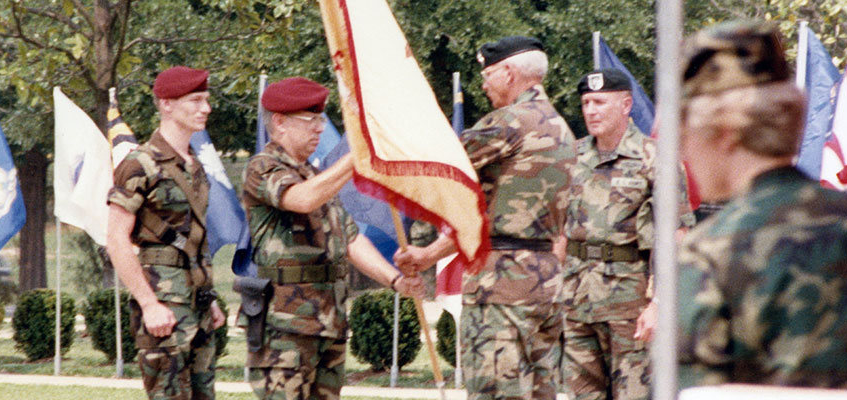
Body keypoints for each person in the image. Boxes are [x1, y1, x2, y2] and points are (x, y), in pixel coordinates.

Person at [677, 20, 847, 389]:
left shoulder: (710, 254)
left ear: (726, 134)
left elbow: (694, 391)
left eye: (685, 134)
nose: (683, 150)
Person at [394, 36, 576, 399]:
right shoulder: (562, 129)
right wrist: (430, 255)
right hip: (544, 285)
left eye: (488, 73)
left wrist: (384, 143)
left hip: (501, 290)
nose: (483, 83)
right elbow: (501, 214)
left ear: (509, 73)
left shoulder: (509, 122)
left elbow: (442, 166)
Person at [241, 76, 424, 400]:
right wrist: (358, 154)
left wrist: (395, 280)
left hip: (328, 321)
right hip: (285, 327)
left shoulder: (315, 176)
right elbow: (301, 200)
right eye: (310, 120)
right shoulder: (262, 167)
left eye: (321, 120)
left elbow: (351, 240)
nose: (319, 129)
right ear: (280, 123)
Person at [558, 68, 695, 400]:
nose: (591, 111)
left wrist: (659, 304)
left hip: (630, 304)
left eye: (600, 102)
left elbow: (675, 237)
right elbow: (560, 232)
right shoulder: (572, 157)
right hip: (577, 301)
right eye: (586, 103)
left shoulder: (656, 158)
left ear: (625, 104)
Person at [106, 65, 226, 400]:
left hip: (197, 306)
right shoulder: (139, 164)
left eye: (206, 100)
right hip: (164, 307)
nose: (206, 108)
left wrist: (208, 297)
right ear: (167, 104)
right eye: (197, 100)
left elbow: (195, 240)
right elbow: (116, 239)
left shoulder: (194, 166)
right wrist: (149, 304)